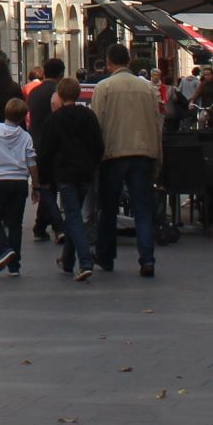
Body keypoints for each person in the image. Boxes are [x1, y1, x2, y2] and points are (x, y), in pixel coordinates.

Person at [91, 44, 163, 278]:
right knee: (143, 209)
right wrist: (157, 157)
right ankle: (147, 259)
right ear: (130, 61)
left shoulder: (104, 87)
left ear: (110, 62)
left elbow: (97, 125)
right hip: (142, 153)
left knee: (108, 208)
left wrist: (96, 158)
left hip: (113, 155)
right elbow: (156, 124)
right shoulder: (147, 89)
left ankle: (105, 254)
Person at [41, 79, 104, 282]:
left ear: (59, 94)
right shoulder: (89, 116)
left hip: (65, 173)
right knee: (74, 214)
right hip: (85, 172)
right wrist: (93, 164)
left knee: (73, 215)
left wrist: (44, 178)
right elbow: (98, 145)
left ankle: (85, 261)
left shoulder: (54, 119)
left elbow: (46, 151)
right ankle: (67, 260)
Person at [0, 96, 36, 275]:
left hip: (0, 181)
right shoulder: (26, 136)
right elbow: (32, 162)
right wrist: (37, 186)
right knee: (15, 223)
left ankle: (4, 249)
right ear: (22, 117)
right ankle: (14, 265)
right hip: (20, 182)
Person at [24, 59, 64, 242]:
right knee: (49, 188)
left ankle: (40, 226)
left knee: (47, 185)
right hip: (54, 145)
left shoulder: (34, 92)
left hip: (36, 143)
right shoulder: (58, 92)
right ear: (61, 74)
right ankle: (58, 226)